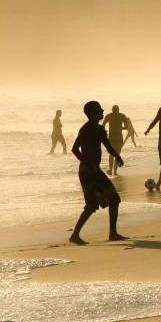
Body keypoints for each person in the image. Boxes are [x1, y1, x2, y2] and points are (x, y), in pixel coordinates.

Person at [69, 101, 126, 244]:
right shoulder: (86, 129)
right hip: (87, 172)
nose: (102, 111)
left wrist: (117, 156)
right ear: (92, 113)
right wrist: (87, 163)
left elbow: (108, 146)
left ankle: (113, 233)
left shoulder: (100, 129)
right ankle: (74, 235)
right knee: (92, 205)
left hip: (96, 170)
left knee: (114, 199)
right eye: (99, 109)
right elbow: (74, 149)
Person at [102, 105, 127, 175]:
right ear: (118, 110)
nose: (115, 112)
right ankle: (114, 171)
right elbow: (127, 127)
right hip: (118, 137)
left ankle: (111, 170)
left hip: (112, 137)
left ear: (112, 110)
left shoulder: (109, 116)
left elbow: (102, 126)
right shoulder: (122, 116)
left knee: (112, 154)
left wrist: (104, 132)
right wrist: (120, 127)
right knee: (117, 154)